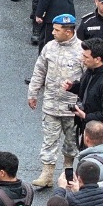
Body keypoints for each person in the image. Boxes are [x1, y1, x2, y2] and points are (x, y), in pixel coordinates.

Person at [27, 15, 83, 188]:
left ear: (68, 31)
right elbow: (39, 71)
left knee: (71, 142)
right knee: (49, 140)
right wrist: (33, 93)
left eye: (56, 30)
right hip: (51, 105)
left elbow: (88, 79)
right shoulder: (49, 47)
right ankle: (47, 174)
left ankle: (67, 171)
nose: (53, 33)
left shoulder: (82, 50)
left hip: (72, 108)